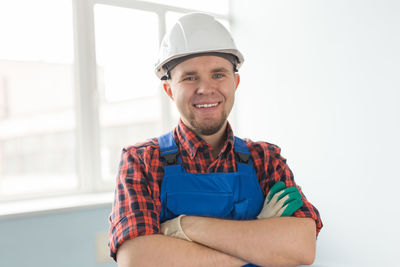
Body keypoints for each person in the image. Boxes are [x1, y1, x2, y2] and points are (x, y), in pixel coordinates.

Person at [108, 12, 322, 267]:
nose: (205, 89)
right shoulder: (142, 161)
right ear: (169, 89)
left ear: (235, 82)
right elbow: (138, 260)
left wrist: (186, 226)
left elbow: (302, 247)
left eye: (218, 74)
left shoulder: (265, 159)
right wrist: (257, 241)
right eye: (189, 77)